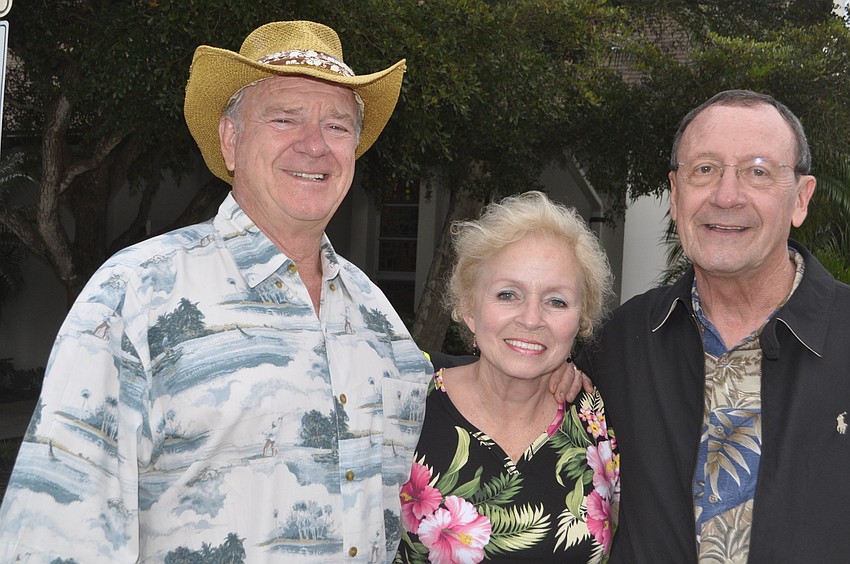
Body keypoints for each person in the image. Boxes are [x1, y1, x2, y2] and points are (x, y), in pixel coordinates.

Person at [0, 20, 582, 562]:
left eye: (337, 126)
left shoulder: (376, 318)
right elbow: (54, 531)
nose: (314, 144)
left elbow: (456, 403)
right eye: (284, 118)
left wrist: (545, 374)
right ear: (231, 140)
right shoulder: (137, 294)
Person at [576, 89, 850, 563]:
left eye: (758, 171)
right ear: (675, 194)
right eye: (704, 169)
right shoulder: (620, 343)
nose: (726, 196)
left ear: (800, 199)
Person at [396, 191, 621, 563]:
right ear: (469, 308)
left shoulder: (603, 419)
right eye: (507, 294)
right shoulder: (405, 407)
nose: (531, 319)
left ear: (580, 321)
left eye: (556, 301)